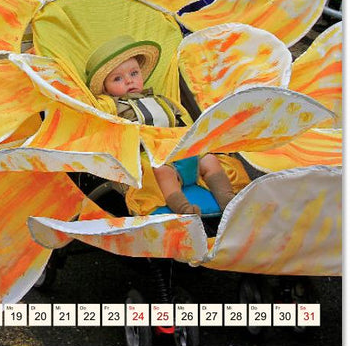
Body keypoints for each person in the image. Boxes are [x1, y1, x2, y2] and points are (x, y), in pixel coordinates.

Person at [86, 36, 237, 215]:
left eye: (134, 73)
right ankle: (183, 209)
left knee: (210, 160)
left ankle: (228, 200)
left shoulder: (161, 100)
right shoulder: (113, 106)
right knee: (163, 172)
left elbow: (181, 120)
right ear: (105, 88)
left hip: (180, 148)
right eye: (118, 79)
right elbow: (107, 128)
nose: (129, 81)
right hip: (151, 154)